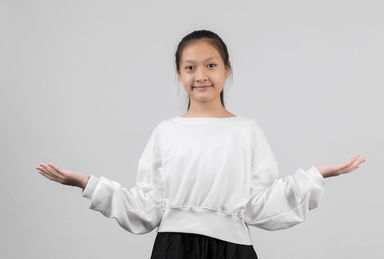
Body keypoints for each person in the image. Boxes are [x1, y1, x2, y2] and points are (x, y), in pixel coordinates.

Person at [35, 29, 366, 259]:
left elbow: (260, 205)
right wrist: (85, 183)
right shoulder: (166, 132)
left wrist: (315, 176)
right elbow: (147, 210)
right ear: (179, 73)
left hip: (233, 251)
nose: (201, 75)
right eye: (190, 67)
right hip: (172, 249)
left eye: (211, 65)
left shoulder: (245, 131)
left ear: (226, 70)